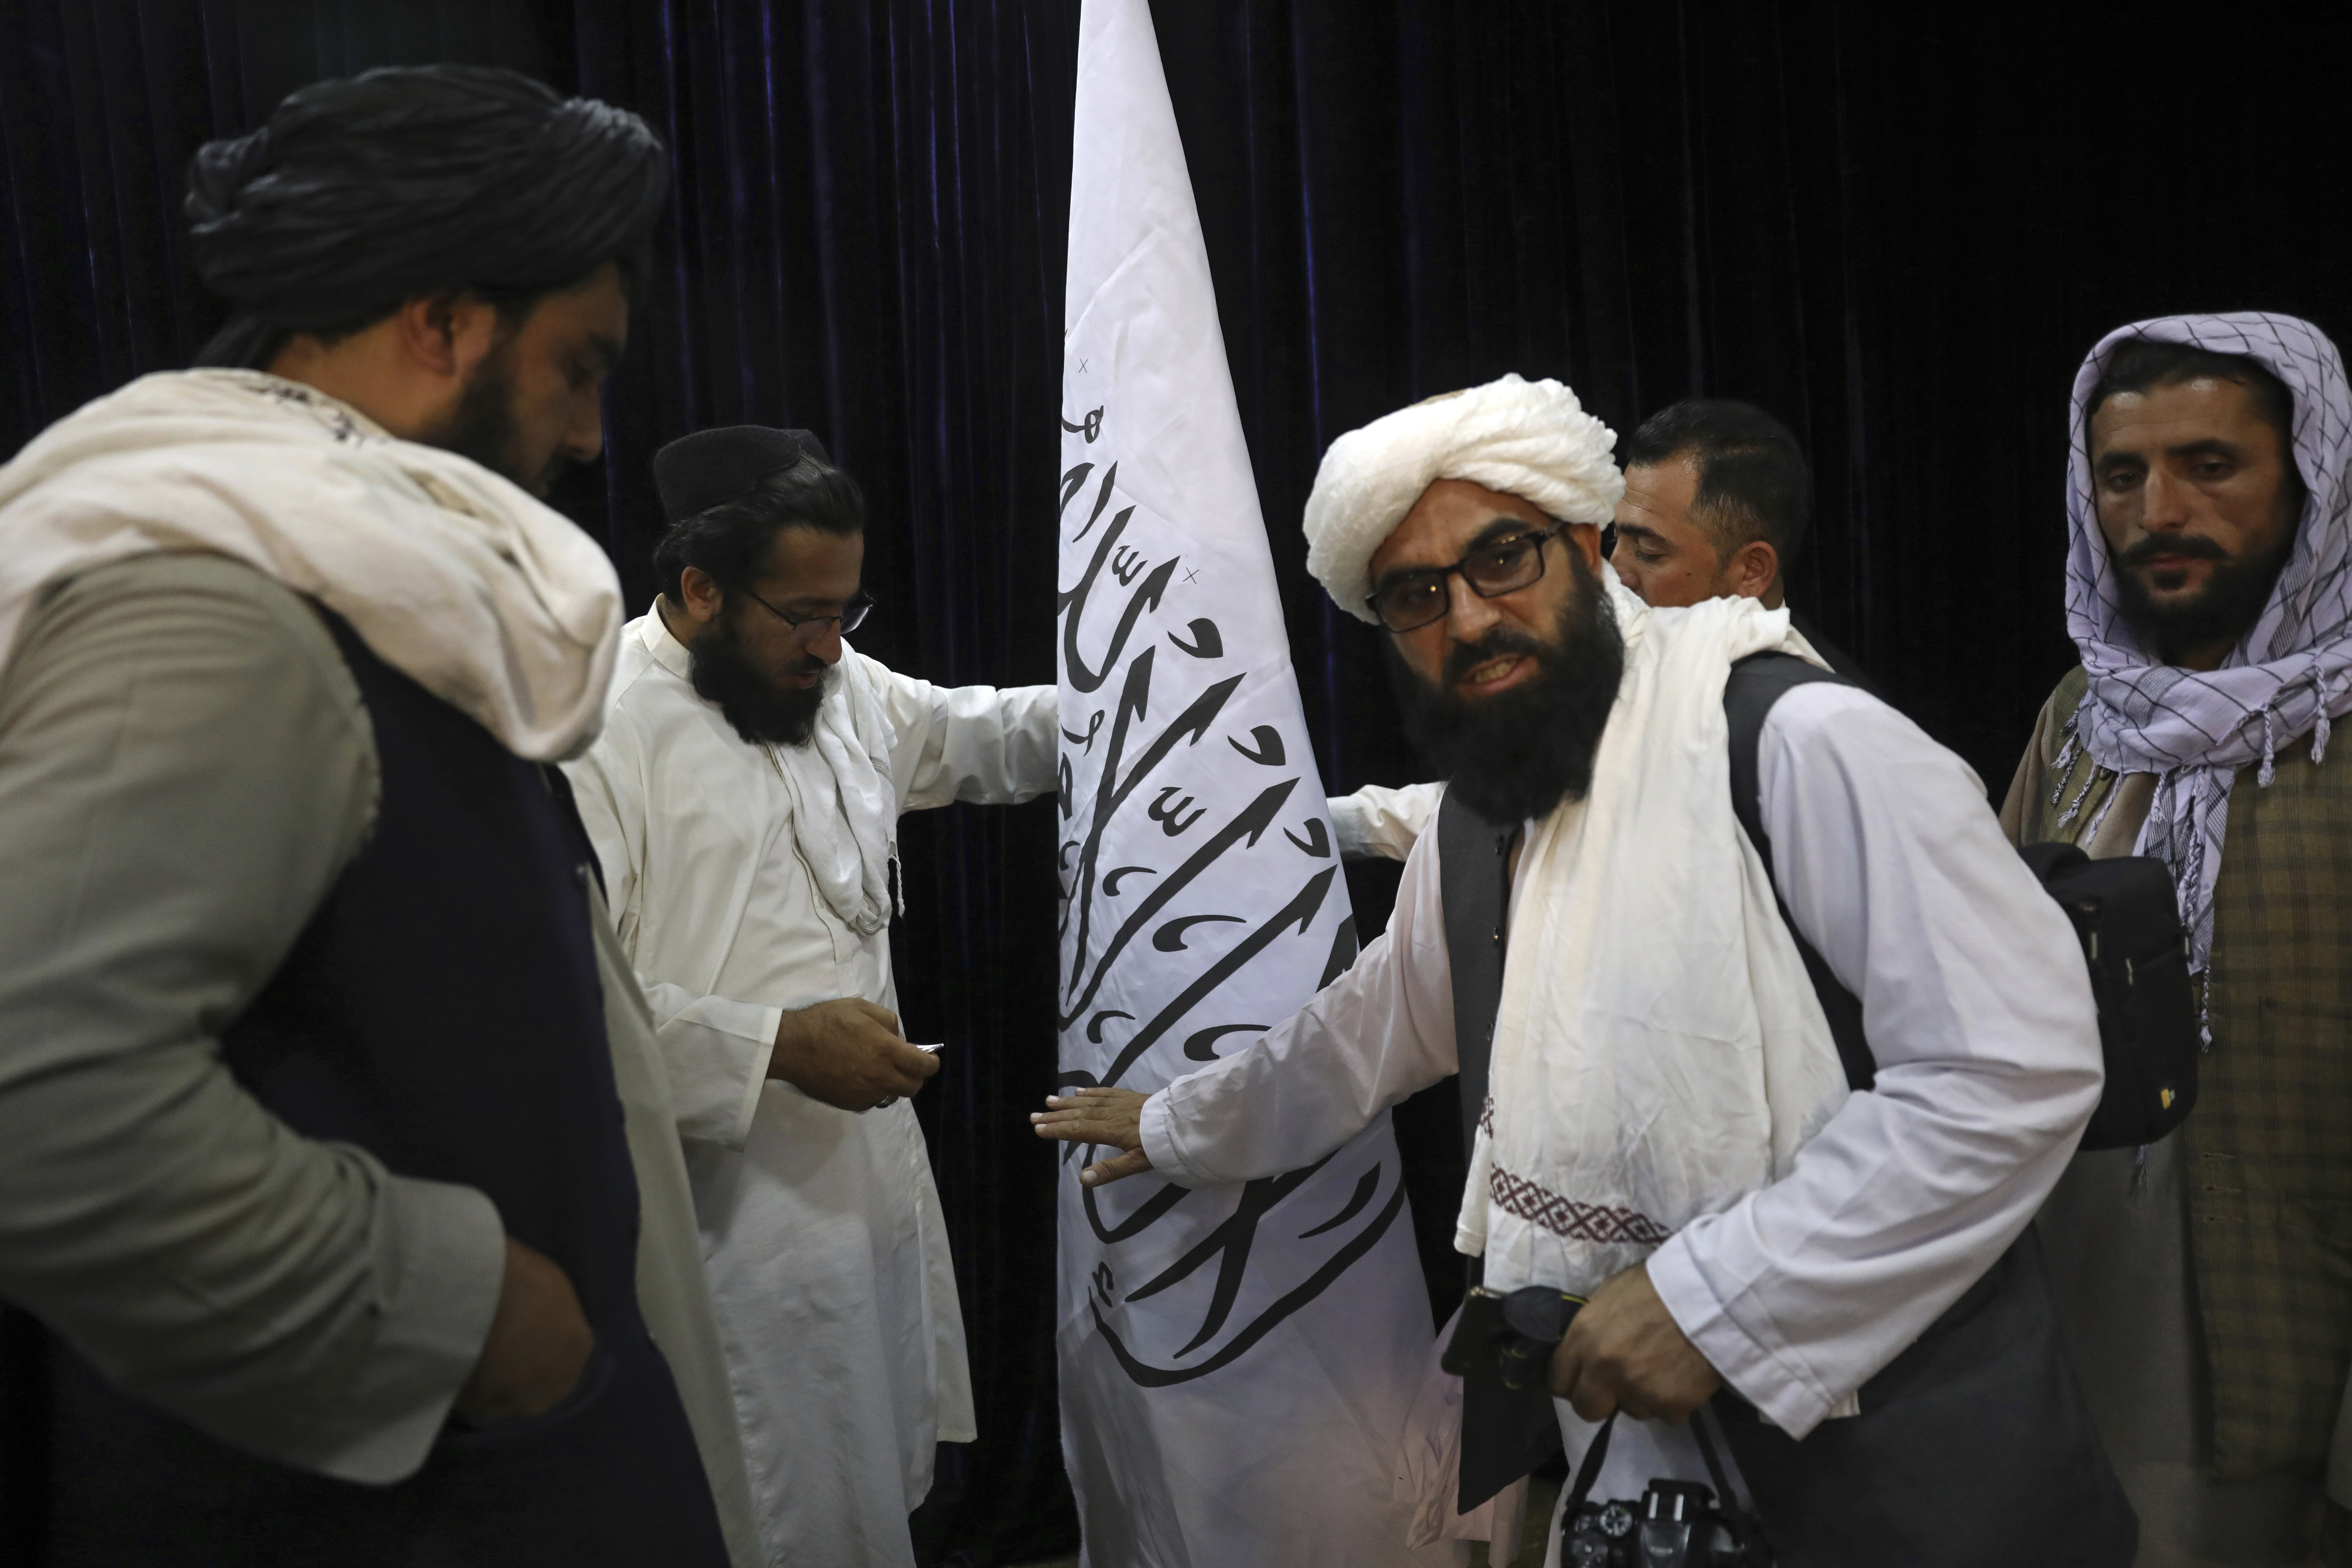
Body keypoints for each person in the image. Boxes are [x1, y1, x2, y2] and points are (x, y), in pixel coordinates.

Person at [1036, 373, 2136, 1565]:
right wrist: (1183, 1125)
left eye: (1502, 557)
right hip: (1629, 1467)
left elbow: (2012, 1065)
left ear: (1587, 546)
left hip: (1898, 1467)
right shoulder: (1477, 819)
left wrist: (1718, 1301)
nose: (1467, 619)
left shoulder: (1803, 742)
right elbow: (1372, 1033)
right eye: (1417, 594)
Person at [0, 66, 758, 1567]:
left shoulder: (344, 581)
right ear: (443, 326)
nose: (594, 436)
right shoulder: (215, 608)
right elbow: (42, 1101)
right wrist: (474, 1311)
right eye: (579, 367)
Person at [559, 425, 1057, 1567]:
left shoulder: (837, 686)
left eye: (849, 612)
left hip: (867, 1194)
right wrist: (775, 1046)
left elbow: (980, 735)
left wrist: (1150, 710)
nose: (833, 646)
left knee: (872, 1490)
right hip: (731, 1231)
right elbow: (577, 1010)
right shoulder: (597, 731)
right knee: (776, 1513)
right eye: (804, 615)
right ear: (698, 587)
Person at [2000, 314, 2352, 1568]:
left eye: (2212, 466)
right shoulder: (2086, 714)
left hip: (2284, 1367)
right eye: (2122, 473)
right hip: (2062, 1341)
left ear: (2311, 477)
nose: (2159, 509)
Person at [1331, 395, 1864, 863]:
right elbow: (1511, 809)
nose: (1616, 568)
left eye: (1650, 552)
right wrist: (1336, 825)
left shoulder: (1814, 736)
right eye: (1616, 538)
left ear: (1751, 571)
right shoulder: (1628, 649)